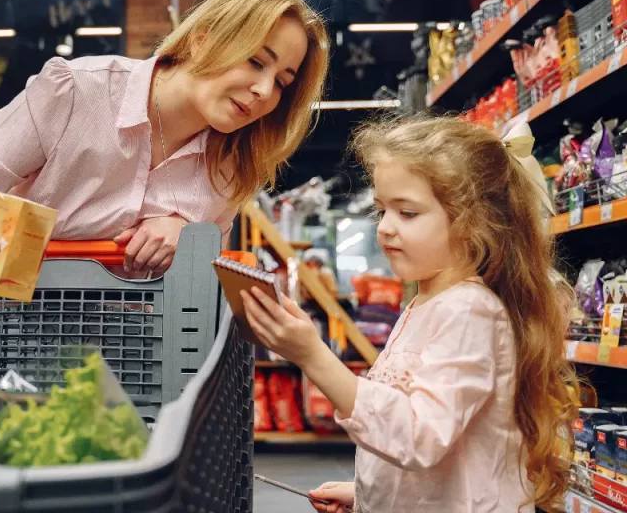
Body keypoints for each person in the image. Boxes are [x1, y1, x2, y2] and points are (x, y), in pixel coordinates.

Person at [239, 116, 577, 512]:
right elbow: (428, 442)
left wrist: (312, 356)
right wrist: (367, 495)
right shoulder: (427, 303)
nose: (385, 228)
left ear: (473, 224)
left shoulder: (470, 311)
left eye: (408, 213)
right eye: (382, 210)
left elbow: (420, 435)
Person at [0, 0, 330, 276]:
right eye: (256, 61)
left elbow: (198, 295)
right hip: (5, 338)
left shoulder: (232, 167)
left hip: (136, 362)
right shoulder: (76, 92)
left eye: (282, 82)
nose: (263, 90)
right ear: (203, 40)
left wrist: (188, 239)